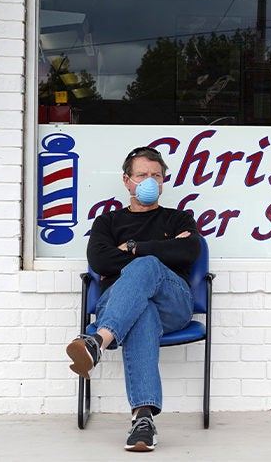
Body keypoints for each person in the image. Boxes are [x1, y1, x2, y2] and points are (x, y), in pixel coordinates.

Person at [66, 146, 201, 452]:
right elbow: (100, 260)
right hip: (123, 305)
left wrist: (134, 248)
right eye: (142, 175)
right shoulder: (108, 223)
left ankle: (97, 341)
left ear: (164, 181)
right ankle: (143, 420)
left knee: (147, 265)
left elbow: (190, 251)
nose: (150, 181)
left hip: (174, 303)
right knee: (143, 310)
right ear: (127, 181)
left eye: (156, 175)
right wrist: (162, 249)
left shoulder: (178, 219)